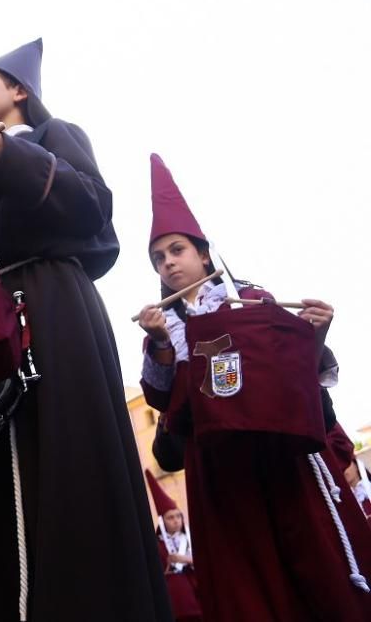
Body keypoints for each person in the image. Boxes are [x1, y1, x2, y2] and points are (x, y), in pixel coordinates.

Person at [0, 38, 170, 620]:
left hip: (52, 304)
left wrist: (11, 159)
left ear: (19, 91)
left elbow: (91, 207)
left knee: (65, 450)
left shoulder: (54, 137)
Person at [137, 153, 371, 621]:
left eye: (177, 250)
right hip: (219, 468)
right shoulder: (163, 327)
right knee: (247, 580)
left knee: (313, 562)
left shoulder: (254, 300)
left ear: (203, 253)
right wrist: (161, 345)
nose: (168, 263)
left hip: (280, 451)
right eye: (159, 258)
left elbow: (295, 374)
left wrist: (315, 331)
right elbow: (163, 402)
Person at [144, 469, 201, 621]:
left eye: (178, 516)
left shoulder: (190, 538)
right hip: (175, 602)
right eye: (170, 517)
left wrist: (185, 559)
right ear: (162, 522)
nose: (176, 520)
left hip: (197, 597)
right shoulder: (157, 545)